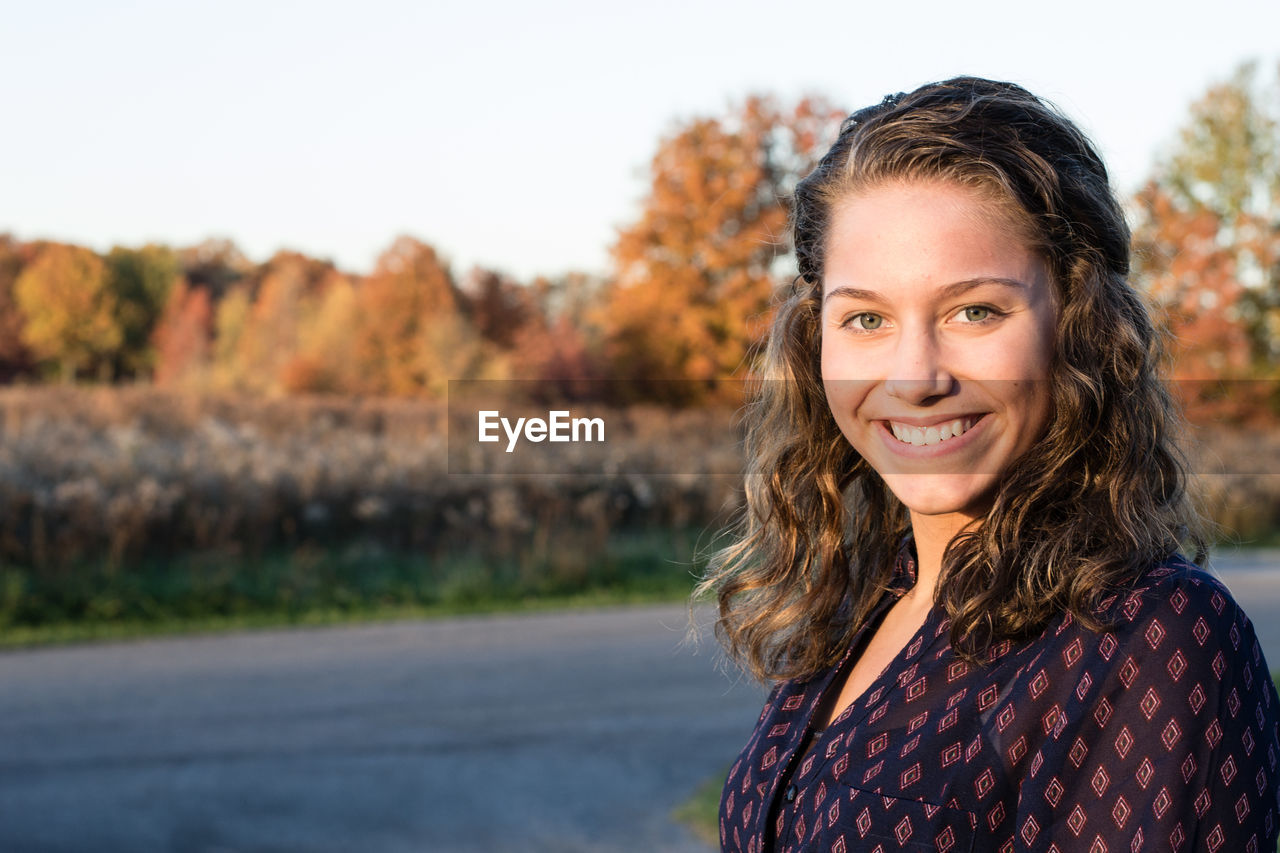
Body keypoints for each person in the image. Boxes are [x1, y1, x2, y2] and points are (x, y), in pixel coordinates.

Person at [699, 77, 1280, 853]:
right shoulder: (866, 603)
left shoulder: (1150, 638)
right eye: (866, 318)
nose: (915, 376)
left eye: (974, 310)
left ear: (1079, 325)